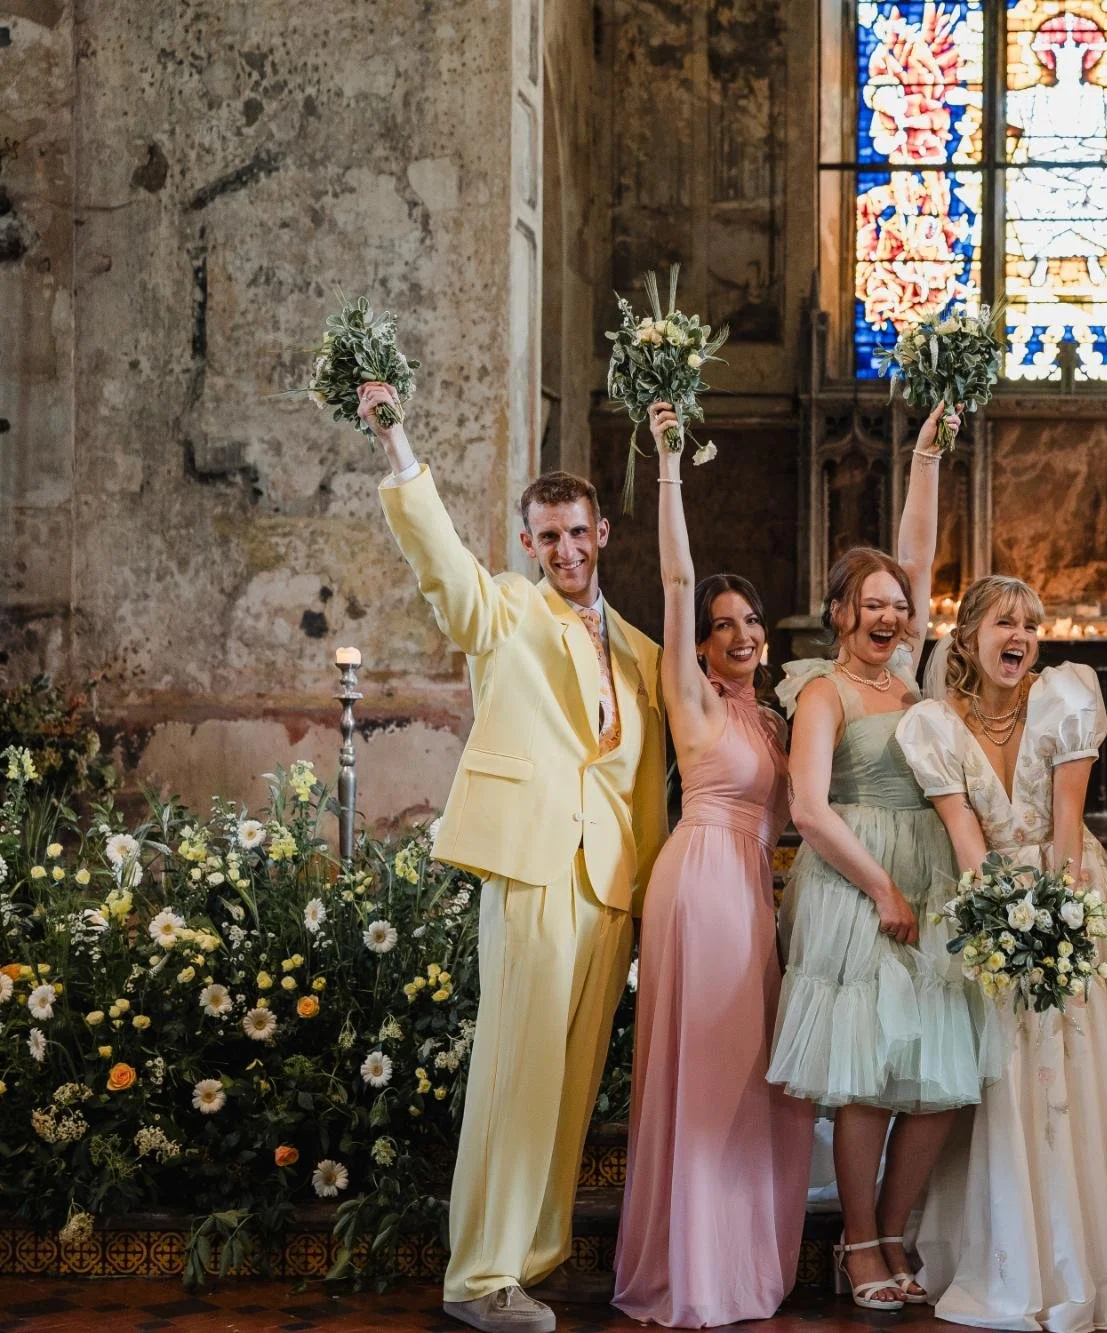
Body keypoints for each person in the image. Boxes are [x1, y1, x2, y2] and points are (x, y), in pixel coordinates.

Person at [360, 381, 669, 1333]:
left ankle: (527, 1261)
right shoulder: (505, 615)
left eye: (578, 533)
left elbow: (648, 783)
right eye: (547, 538)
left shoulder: (647, 654)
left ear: (603, 533)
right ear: (530, 545)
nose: (566, 551)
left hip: (611, 885)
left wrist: (652, 895)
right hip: (534, 867)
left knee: (570, 1083)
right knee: (513, 1071)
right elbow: (444, 570)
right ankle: (478, 1273)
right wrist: (398, 447)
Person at [765, 403, 994, 1313]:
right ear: (840, 612)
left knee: (937, 1076)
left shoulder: (912, 678)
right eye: (874, 606)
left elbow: (918, 550)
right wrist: (882, 884)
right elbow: (808, 809)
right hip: (857, 881)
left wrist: (929, 454)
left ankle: (896, 1228)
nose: (891, 616)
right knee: (866, 1075)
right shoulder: (822, 691)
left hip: (931, 875)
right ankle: (859, 1243)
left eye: (901, 608)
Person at [902, 574, 1107, 1333]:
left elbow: (1070, 827)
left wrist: (1063, 921)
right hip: (991, 911)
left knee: (1072, 1075)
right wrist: (1000, 926)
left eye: (1030, 624)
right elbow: (967, 844)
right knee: (1001, 1077)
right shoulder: (935, 727)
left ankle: (1080, 1254)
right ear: (971, 635)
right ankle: (1007, 1255)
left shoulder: (1066, 699)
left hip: (1070, 891)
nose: (1019, 636)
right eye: (1003, 622)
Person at [612, 403, 814, 1326]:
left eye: (752, 622)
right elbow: (677, 573)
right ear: (698, 642)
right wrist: (666, 465)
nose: (741, 634)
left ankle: (738, 1257)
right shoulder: (690, 698)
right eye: (723, 623)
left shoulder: (770, 719)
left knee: (747, 1077)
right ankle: (693, 1269)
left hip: (752, 892)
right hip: (700, 883)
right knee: (706, 1068)